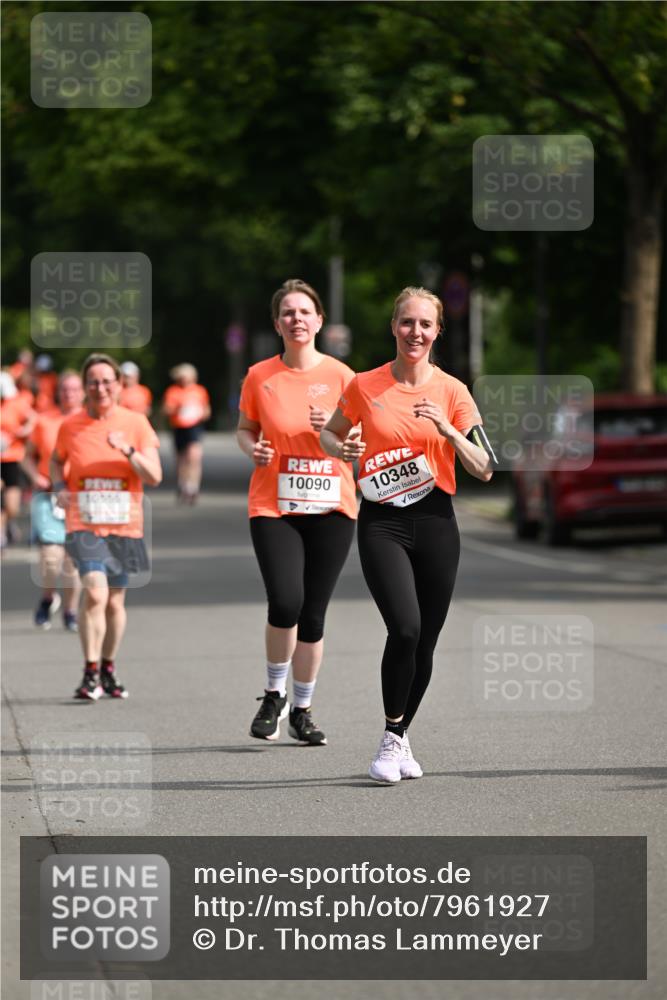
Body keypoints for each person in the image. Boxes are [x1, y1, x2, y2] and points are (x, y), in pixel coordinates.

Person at [321, 287, 494, 783]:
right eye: (406, 323)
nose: (414, 333)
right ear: (393, 327)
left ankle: (398, 739)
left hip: (437, 521)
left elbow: (484, 467)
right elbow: (328, 435)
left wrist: (448, 429)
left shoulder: (453, 391)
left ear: (437, 331)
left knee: (427, 642)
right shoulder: (363, 385)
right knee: (405, 628)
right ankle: (390, 736)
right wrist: (343, 447)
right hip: (382, 521)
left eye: (424, 325)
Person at [237, 279, 358, 746]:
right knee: (285, 600)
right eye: (288, 312)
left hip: (332, 504)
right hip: (274, 503)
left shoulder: (345, 378)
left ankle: (302, 710)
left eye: (305, 311)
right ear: (277, 323)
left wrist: (340, 439)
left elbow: (359, 446)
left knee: (313, 615)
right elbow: (245, 429)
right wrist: (255, 450)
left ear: (320, 320)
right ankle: (273, 694)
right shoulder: (259, 375)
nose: (297, 319)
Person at [50, 353, 162, 700]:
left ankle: (108, 668)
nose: (100, 387)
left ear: (119, 385)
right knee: (95, 593)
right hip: (83, 521)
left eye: (106, 381)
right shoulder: (71, 425)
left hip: (125, 524)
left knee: (115, 602)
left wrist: (128, 450)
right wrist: (58, 487)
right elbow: (57, 460)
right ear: (85, 387)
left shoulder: (136, 423)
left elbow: (155, 476)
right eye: (93, 382)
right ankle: (90, 671)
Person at [22, 371, 85, 630]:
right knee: (50, 556)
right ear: (58, 392)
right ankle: (49, 597)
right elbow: (27, 457)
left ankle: (70, 611)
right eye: (65, 389)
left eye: (74, 389)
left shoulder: (90, 422)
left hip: (81, 498)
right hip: (48, 495)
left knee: (72, 562)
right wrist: (35, 476)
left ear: (82, 392)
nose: (69, 394)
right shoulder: (45, 422)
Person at [162, 363, 210, 503]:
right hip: (179, 427)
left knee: (194, 456)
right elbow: (166, 410)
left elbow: (207, 410)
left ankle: (193, 487)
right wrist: (178, 408)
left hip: (194, 427)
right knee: (181, 459)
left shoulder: (200, 391)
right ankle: (182, 484)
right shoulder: (173, 391)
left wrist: (200, 413)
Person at [1, 371, 36, 547]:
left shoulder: (15, 403)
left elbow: (32, 418)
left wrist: (23, 431)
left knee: (12, 505)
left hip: (12, 458)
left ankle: (7, 523)